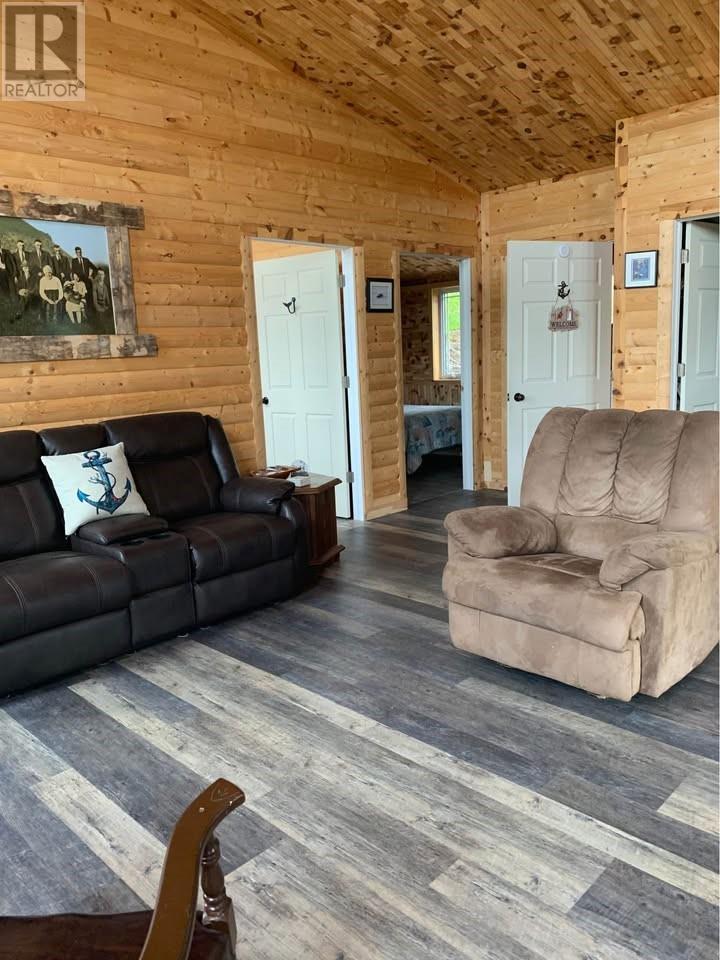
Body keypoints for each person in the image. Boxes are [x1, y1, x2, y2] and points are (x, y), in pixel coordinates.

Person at [11, 240, 33, 320]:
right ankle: (20, 311)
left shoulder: (28, 254)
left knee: (26, 293)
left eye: (23, 245)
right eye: (20, 245)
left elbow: (30, 264)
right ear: (17, 245)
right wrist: (15, 276)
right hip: (19, 275)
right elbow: (13, 266)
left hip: (27, 274)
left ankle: (21, 312)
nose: (22, 246)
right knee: (20, 292)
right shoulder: (13, 255)